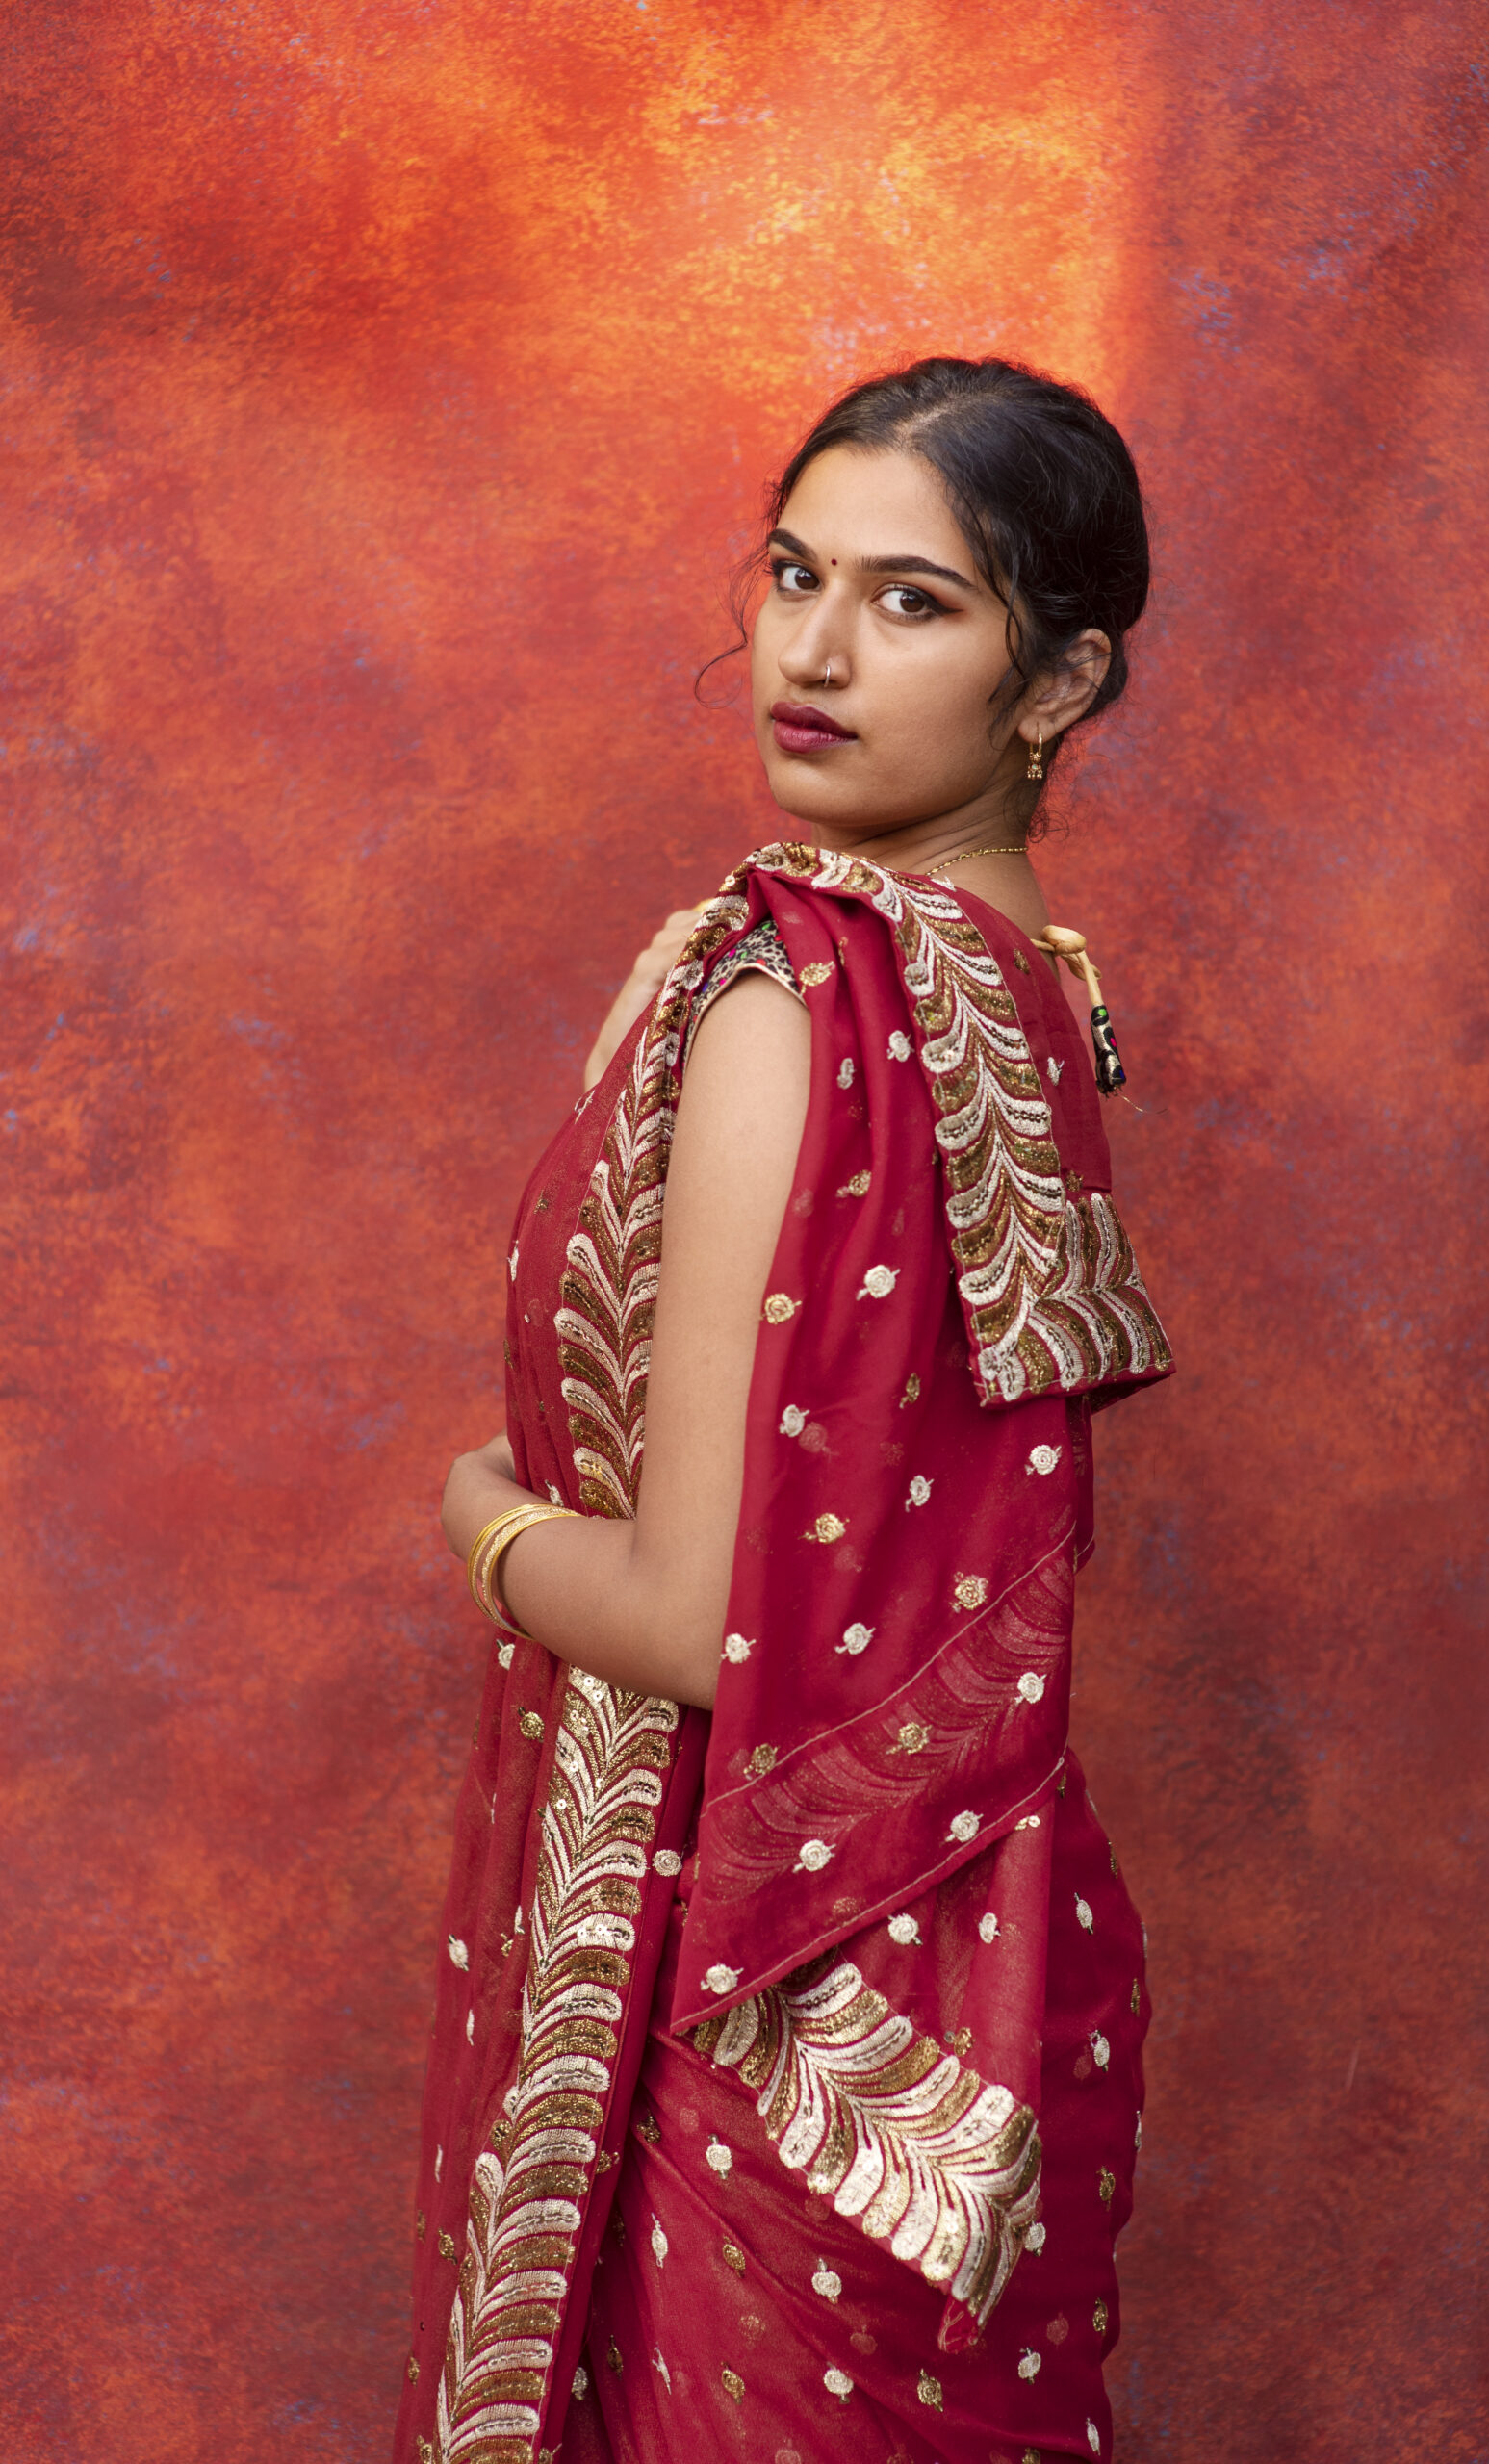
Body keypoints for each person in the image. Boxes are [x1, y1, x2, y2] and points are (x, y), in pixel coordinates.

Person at [395, 356, 1174, 2464]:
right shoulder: (1032, 969)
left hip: (760, 1989)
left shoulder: (790, 994)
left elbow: (682, 1613)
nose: (813, 653)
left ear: (1060, 674)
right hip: (983, 1971)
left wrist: (474, 1511)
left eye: (915, 601)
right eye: (794, 574)